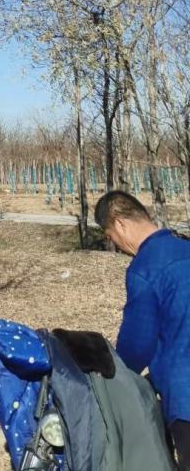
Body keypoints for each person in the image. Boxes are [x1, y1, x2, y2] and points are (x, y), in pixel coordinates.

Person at [95, 189, 190, 470]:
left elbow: (137, 347)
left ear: (120, 223)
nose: (117, 244)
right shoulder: (185, 247)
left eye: (111, 236)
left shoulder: (145, 267)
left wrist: (112, 376)